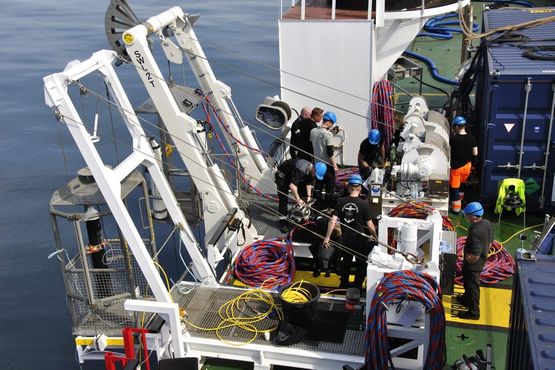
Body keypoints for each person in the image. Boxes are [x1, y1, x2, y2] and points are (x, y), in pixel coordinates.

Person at [322, 174, 377, 290]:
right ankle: (357, 286)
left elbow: (332, 221)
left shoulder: (341, 201)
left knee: (345, 263)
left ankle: (343, 284)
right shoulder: (364, 204)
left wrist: (327, 237)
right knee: (361, 265)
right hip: (360, 240)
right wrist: (375, 237)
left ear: (349, 187)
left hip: (346, 239)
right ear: (360, 188)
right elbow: (370, 225)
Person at [459, 202, 493, 320]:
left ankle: (474, 312)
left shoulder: (475, 232)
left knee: (472, 285)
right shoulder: (486, 223)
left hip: (473, 265)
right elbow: (490, 242)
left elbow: (475, 254)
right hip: (481, 262)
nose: (466, 217)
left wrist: (467, 258)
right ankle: (465, 299)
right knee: (469, 284)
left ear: (473, 216)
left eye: (467, 215)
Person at [275, 158, 315, 233]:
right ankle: (282, 222)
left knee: (303, 195)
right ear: (314, 169)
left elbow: (309, 183)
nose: (315, 176)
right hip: (282, 176)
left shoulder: (311, 170)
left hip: (292, 176)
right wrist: (298, 200)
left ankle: (300, 217)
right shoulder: (301, 169)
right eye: (315, 175)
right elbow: (292, 186)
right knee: (283, 199)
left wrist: (308, 197)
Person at [450, 116, 478, 214]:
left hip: (456, 167)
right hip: (467, 166)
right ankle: (461, 201)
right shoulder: (472, 138)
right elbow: (475, 153)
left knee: (455, 188)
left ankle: (456, 209)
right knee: (462, 184)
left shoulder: (453, 139)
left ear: (457, 127)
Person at [310, 111, 338, 207]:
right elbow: (330, 152)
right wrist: (334, 165)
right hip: (327, 165)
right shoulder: (328, 135)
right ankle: (328, 208)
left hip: (317, 164)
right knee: (330, 189)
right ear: (329, 122)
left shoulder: (313, 131)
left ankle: (316, 207)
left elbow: (313, 146)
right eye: (332, 124)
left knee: (318, 186)